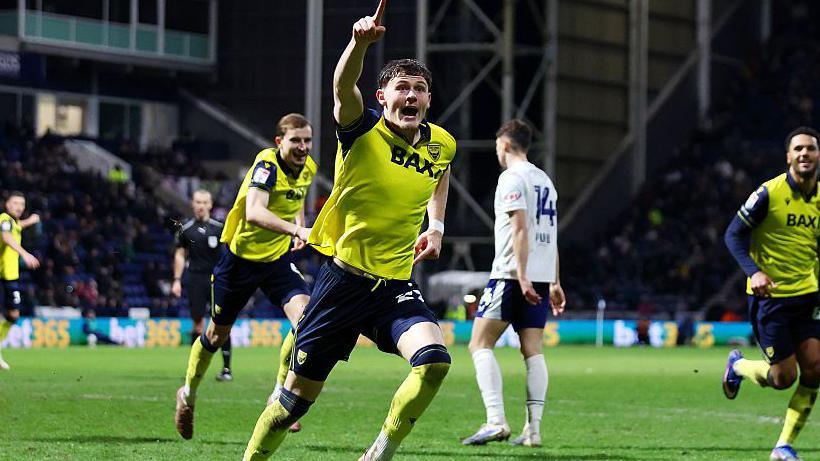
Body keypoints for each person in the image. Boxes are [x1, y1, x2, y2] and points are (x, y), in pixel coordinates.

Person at [242, 1, 456, 459]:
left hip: (394, 287)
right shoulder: (361, 134)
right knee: (290, 406)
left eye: (420, 89)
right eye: (402, 88)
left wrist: (435, 227)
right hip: (342, 284)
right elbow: (342, 87)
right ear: (383, 97)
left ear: (429, 100)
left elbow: (442, 172)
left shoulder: (441, 143)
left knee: (434, 362)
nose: (412, 96)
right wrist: (358, 45)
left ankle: (380, 452)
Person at [174, 113, 316, 439]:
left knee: (306, 320)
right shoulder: (266, 165)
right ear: (280, 142)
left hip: (276, 260)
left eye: (307, 140)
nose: (303, 147)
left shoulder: (308, 168)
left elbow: (297, 195)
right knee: (215, 336)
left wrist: (299, 221)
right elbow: (253, 212)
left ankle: (280, 393)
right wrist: (298, 228)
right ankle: (188, 395)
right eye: (296, 140)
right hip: (239, 261)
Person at [461, 120, 566, 447]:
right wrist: (554, 281)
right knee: (532, 349)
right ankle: (533, 430)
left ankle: (495, 421)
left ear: (505, 145)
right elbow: (548, 234)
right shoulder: (545, 181)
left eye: (497, 146)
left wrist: (520, 277)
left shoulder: (512, 178)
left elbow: (520, 228)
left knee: (479, 343)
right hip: (541, 273)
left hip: (511, 274)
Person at [723, 126, 820, 461]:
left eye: (810, 148)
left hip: (808, 296)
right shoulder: (768, 193)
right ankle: (737, 368)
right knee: (782, 377)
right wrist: (755, 272)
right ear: (789, 157)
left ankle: (783, 446)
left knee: (815, 368)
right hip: (771, 300)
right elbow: (733, 235)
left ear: (818, 156)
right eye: (798, 149)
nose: (804, 154)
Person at [172, 189, 232, 381]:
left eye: (204, 202)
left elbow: (231, 253)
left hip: (218, 280)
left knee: (222, 323)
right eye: (197, 202)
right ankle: (194, 369)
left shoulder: (219, 227)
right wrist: (176, 280)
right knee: (197, 323)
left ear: (210, 204)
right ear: (193, 204)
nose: (201, 206)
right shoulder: (185, 228)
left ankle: (226, 369)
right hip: (196, 279)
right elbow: (180, 255)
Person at [0, 191, 40, 370]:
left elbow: (16, 227)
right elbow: (6, 237)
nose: (18, 206)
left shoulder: (14, 222)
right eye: (15, 203)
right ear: (7, 205)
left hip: (10, 276)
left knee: (13, 315)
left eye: (21, 204)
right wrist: (24, 253)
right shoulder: (4, 219)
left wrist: (30, 221)